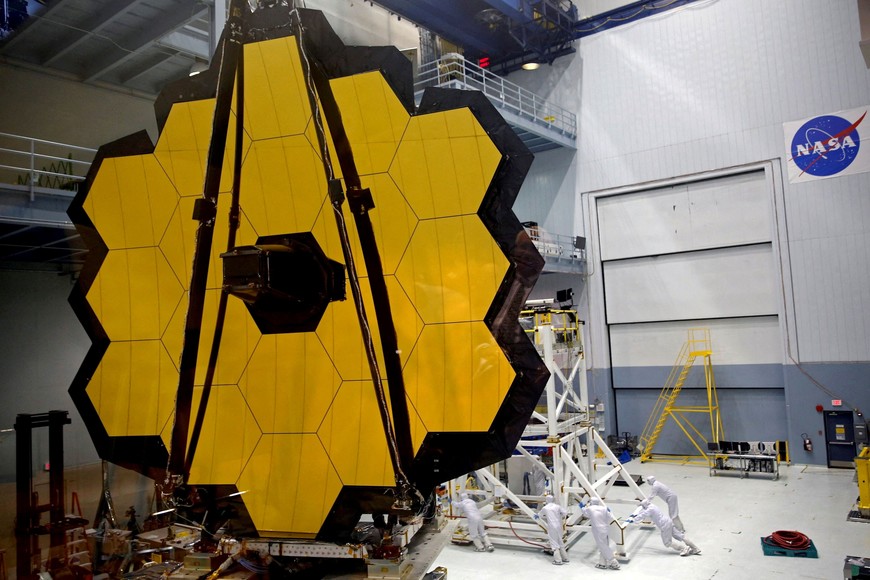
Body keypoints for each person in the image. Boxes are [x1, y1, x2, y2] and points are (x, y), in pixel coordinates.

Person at [626, 498, 701, 556]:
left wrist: (633, 520)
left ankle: (684, 549)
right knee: (680, 536)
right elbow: (643, 512)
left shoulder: (649, 509)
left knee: (667, 543)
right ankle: (695, 548)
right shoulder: (652, 505)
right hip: (668, 521)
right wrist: (635, 515)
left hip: (664, 525)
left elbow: (643, 515)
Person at [579, 497, 620, 570]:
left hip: (597, 530)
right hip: (605, 528)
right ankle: (602, 563)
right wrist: (609, 511)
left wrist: (582, 507)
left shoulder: (590, 508)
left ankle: (614, 562)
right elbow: (610, 517)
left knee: (603, 546)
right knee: (604, 545)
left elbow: (586, 514)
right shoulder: (604, 508)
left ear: (591, 502)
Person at [537, 495, 569, 565]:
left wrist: (537, 515)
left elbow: (540, 515)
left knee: (554, 542)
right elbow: (565, 512)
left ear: (546, 500)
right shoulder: (557, 506)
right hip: (559, 526)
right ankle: (565, 558)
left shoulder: (545, 508)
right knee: (560, 541)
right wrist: (559, 516)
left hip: (552, 527)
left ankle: (558, 560)